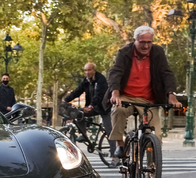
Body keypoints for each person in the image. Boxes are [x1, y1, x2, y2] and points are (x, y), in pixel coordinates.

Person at [104, 26, 182, 161]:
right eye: (142, 42)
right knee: (118, 110)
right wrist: (115, 93)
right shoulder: (124, 52)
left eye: (149, 42)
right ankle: (120, 144)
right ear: (135, 40)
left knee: (156, 137)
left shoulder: (158, 52)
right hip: (126, 97)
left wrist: (172, 95)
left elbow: (166, 74)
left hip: (149, 100)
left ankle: (152, 169)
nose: (146, 46)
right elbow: (116, 72)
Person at [63, 62, 116, 164]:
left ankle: (114, 156)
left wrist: (90, 106)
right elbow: (77, 91)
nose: (87, 72)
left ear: (94, 70)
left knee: (110, 131)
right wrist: (66, 100)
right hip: (93, 107)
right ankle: (83, 134)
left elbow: (99, 95)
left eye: (89, 70)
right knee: (78, 114)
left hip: (104, 108)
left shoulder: (101, 80)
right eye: (85, 70)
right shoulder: (86, 81)